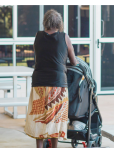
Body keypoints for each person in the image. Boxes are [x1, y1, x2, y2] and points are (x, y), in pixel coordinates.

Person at [24, 9, 78, 148]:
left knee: (38, 117)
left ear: (45, 22)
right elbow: (73, 62)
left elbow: (41, 55)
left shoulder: (38, 35)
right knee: (56, 118)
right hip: (57, 82)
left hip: (39, 82)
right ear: (59, 23)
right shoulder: (64, 37)